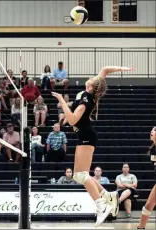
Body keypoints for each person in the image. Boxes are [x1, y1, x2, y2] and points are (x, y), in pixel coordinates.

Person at [52, 66, 135, 227]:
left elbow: (73, 120)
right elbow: (104, 70)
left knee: (82, 175)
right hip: (84, 136)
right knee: (78, 175)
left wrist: (62, 102)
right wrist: (124, 69)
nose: (92, 77)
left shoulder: (86, 99)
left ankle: (101, 205)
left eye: (93, 79)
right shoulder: (89, 93)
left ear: (91, 86)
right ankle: (108, 195)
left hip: (87, 136)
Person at [137, 127, 156, 229]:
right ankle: (141, 227)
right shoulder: (153, 149)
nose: (151, 132)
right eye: (151, 130)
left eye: (155, 130)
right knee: (148, 205)